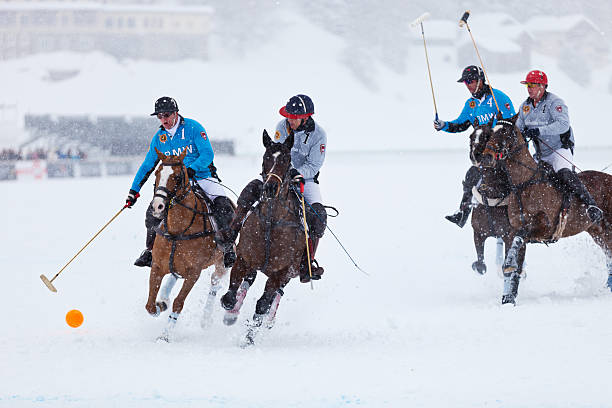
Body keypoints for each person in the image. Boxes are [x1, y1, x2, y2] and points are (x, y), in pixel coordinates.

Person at [222, 94, 328, 283]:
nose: (290, 121)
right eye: (288, 116)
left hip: (306, 179)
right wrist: (277, 173)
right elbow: (277, 152)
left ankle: (308, 264)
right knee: (250, 190)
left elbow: (314, 165)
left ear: (306, 117)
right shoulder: (281, 127)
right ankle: (231, 235)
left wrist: (296, 172)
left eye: (294, 118)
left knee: (319, 216)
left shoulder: (319, 135)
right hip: (278, 176)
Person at [125, 96, 236, 268]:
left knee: (223, 206)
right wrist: (134, 191)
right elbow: (148, 165)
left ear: (176, 113)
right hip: (175, 184)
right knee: (152, 212)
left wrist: (191, 169)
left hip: (202, 176)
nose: (164, 120)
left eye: (166, 115)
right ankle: (150, 251)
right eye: (160, 116)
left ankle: (228, 248)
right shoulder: (159, 138)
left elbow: (207, 154)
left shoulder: (193, 127)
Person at [434, 65, 516, 227]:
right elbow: (461, 124)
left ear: (480, 80)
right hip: (484, 156)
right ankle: (463, 212)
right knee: (471, 176)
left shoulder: (498, 97)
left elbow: (511, 124)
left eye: (470, 81)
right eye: (465, 82)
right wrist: (443, 125)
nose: (468, 85)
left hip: (503, 151)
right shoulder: (470, 104)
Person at [516, 70, 603, 223]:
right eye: (527, 85)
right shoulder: (525, 107)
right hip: (541, 153)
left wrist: (539, 130)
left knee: (563, 173)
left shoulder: (555, 103)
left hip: (559, 149)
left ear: (542, 86)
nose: (529, 88)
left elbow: (563, 125)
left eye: (532, 85)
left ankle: (591, 205)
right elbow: (518, 129)